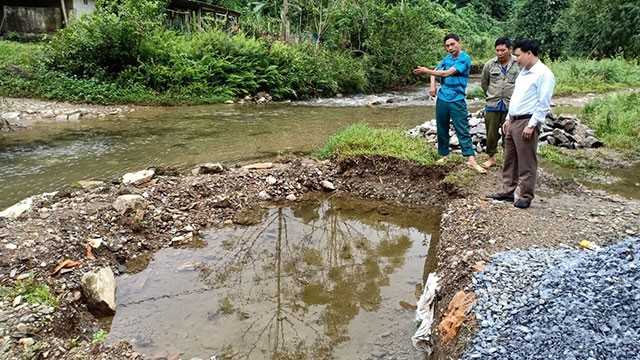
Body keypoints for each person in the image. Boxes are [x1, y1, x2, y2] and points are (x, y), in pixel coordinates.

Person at [486, 39, 556, 209]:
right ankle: (507, 191)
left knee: (526, 161)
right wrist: (509, 118)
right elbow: (517, 97)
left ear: (529, 53)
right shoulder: (523, 72)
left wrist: (532, 125)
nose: (515, 59)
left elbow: (543, 103)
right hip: (514, 120)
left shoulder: (544, 74)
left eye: (518, 55)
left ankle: (525, 196)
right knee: (510, 159)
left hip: (527, 121)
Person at [413, 33, 486, 174]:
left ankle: (471, 159)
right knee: (441, 127)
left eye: (453, 44)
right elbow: (435, 71)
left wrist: (426, 71)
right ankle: (444, 155)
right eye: (447, 46)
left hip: (457, 99)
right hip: (442, 98)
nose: (450, 48)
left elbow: (447, 73)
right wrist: (432, 86)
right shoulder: (447, 58)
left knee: (462, 128)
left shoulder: (465, 59)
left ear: (459, 43)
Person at [480, 37, 520, 169]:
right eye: (497, 50)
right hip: (493, 104)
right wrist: (491, 94)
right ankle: (490, 158)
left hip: (511, 105)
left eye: (503, 50)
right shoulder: (489, 65)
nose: (500, 53)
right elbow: (484, 83)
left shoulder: (518, 63)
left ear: (510, 49)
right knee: (491, 134)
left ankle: (507, 160)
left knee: (509, 134)